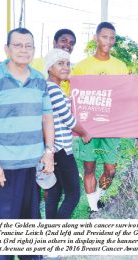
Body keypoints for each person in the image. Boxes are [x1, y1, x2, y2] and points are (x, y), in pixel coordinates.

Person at [0, 27, 54, 259]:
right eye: (18, 45)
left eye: (28, 46)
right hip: (2, 169)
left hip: (32, 166)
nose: (24, 50)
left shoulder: (39, 80)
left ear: (34, 50)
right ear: (7, 49)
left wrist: (49, 152)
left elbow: (47, 118)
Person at [72, 22, 128, 213]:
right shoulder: (81, 67)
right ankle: (94, 208)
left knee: (111, 169)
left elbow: (125, 96)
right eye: (105, 36)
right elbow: (73, 97)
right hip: (89, 128)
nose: (109, 41)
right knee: (89, 168)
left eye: (112, 37)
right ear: (96, 38)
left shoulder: (120, 67)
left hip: (112, 127)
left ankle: (98, 196)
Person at [44, 48, 92, 219]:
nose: (66, 67)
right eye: (60, 63)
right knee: (73, 195)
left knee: (55, 192)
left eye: (68, 63)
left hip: (53, 149)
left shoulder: (49, 88)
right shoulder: (54, 90)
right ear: (49, 67)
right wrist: (85, 132)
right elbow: (68, 119)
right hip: (62, 149)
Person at [31, 28, 76, 96]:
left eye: (71, 43)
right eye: (64, 41)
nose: (68, 45)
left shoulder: (72, 70)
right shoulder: (34, 64)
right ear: (54, 42)